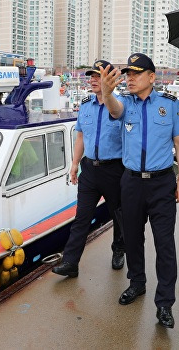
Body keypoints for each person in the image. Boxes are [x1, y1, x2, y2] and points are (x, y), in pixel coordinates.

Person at [100, 53, 179, 329]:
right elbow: (114, 110)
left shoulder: (170, 105)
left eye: (136, 74)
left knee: (165, 244)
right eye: (127, 74)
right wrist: (106, 90)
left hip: (162, 183)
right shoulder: (124, 103)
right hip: (131, 182)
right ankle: (137, 283)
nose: (129, 78)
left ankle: (164, 303)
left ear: (152, 77)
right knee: (133, 238)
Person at [52, 60, 126, 278]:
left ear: (109, 79)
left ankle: (118, 250)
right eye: (91, 76)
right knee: (81, 217)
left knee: (119, 216)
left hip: (115, 169)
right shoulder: (86, 105)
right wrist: (74, 165)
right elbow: (81, 137)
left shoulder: (121, 105)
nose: (93, 80)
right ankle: (71, 262)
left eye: (98, 76)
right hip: (90, 170)